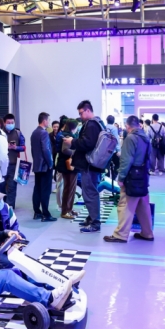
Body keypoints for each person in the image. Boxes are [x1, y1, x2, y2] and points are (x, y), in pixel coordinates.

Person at [105, 115, 154, 243]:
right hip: (143, 175)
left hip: (132, 176)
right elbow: (149, 158)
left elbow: (126, 160)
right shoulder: (146, 137)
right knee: (143, 205)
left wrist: (121, 177)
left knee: (125, 204)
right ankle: (147, 233)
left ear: (127, 126)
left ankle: (120, 234)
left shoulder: (130, 138)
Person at [63, 100, 106, 233]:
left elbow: (88, 143)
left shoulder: (91, 124)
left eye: (81, 113)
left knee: (90, 193)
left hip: (89, 165)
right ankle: (91, 218)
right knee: (90, 192)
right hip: (94, 164)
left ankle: (95, 222)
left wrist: (72, 141)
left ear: (88, 110)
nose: (80, 116)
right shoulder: (98, 123)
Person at [31, 112, 55, 221]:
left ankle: (37, 212)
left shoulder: (34, 133)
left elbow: (33, 150)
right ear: (44, 121)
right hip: (45, 166)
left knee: (37, 189)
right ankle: (46, 214)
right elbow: (46, 150)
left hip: (37, 165)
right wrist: (50, 163)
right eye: (48, 120)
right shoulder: (44, 133)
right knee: (45, 191)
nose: (49, 122)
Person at [55, 120, 79, 219]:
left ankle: (69, 209)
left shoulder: (67, 135)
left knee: (71, 189)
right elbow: (65, 150)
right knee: (68, 189)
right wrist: (76, 152)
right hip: (68, 166)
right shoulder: (68, 136)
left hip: (69, 166)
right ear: (74, 127)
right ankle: (65, 211)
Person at [3, 113, 25, 208]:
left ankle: (10, 207)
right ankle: (2, 205)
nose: (10, 124)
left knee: (12, 186)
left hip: (14, 164)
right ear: (4, 123)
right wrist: (5, 146)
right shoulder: (0, 133)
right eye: (8, 122)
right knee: (1, 186)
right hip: (2, 164)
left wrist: (16, 147)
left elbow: (23, 147)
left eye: (12, 122)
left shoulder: (18, 133)